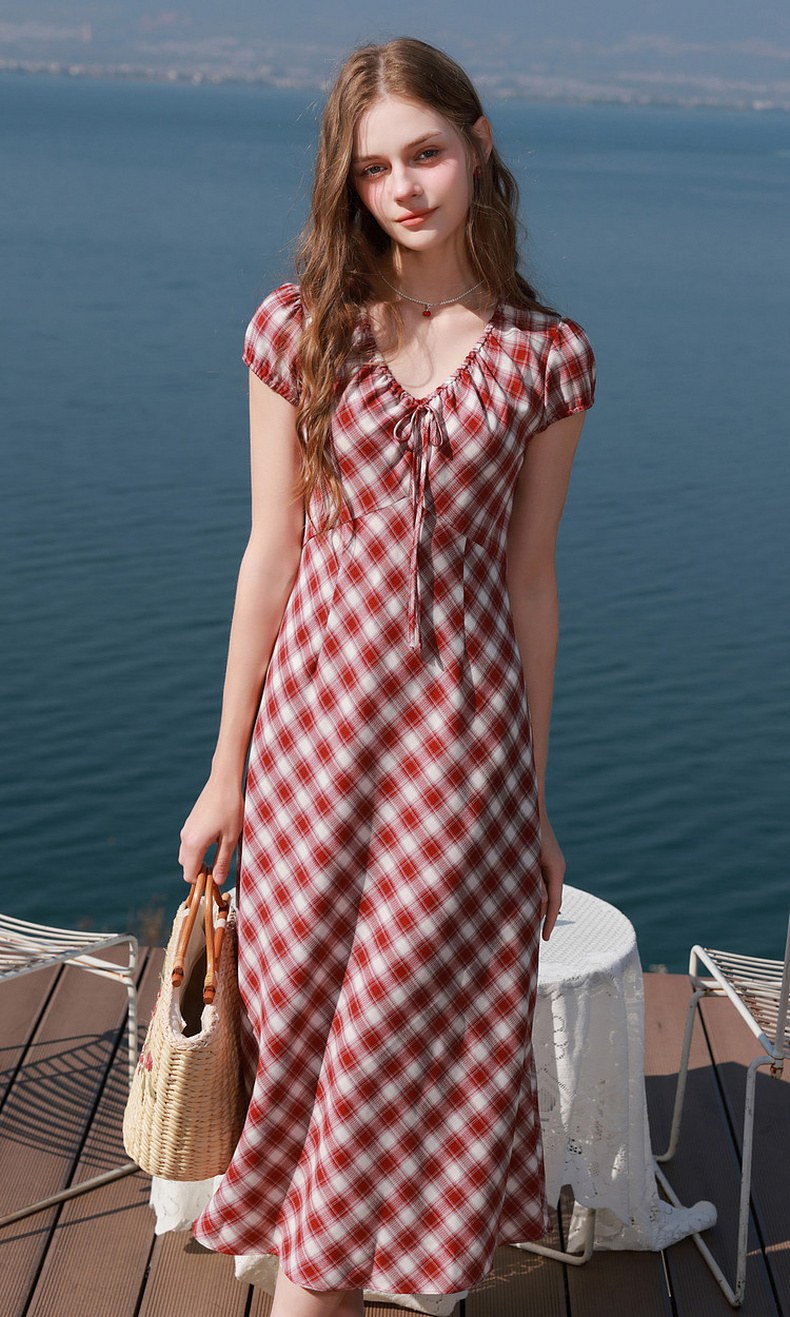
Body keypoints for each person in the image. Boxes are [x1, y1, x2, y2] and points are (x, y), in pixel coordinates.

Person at [179, 36, 595, 1317]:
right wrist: (225, 772)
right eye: (374, 168)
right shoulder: (297, 330)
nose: (405, 187)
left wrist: (531, 801)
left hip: (459, 765)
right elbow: (268, 556)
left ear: (477, 144)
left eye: (426, 153)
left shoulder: (547, 358)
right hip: (310, 754)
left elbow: (530, 587)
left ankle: (313, 1293)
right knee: (304, 1033)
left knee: (384, 1053)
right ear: (346, 182)